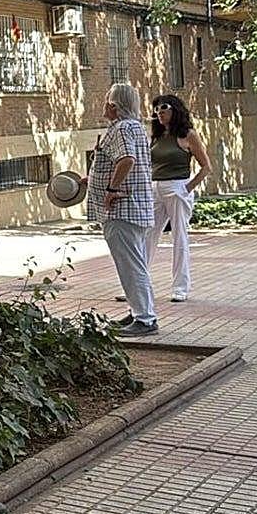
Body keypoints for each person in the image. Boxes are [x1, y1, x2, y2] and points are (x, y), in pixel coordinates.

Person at [85, 84, 157, 336]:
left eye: (106, 101)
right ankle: (139, 310)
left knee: (131, 265)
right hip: (133, 208)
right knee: (134, 263)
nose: (104, 105)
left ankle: (145, 318)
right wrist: (92, 179)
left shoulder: (122, 128)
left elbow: (127, 159)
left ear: (113, 106)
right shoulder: (134, 126)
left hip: (122, 209)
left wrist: (112, 190)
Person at [146, 94, 212, 302]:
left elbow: (206, 167)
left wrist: (187, 188)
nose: (160, 112)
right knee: (148, 235)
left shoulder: (188, 135)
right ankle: (138, 283)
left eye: (164, 107)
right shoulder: (156, 136)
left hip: (177, 185)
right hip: (155, 187)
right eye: (156, 109)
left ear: (175, 109)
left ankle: (180, 288)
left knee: (179, 237)